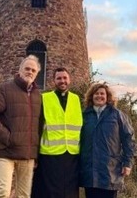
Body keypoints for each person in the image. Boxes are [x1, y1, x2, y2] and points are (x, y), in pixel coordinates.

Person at [0, 55, 42, 198]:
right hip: (6, 151)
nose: (30, 72)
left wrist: (36, 152)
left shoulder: (38, 96)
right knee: (2, 192)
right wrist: (7, 138)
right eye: (27, 68)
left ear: (37, 74)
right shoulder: (5, 89)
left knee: (24, 195)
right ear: (20, 70)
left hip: (27, 154)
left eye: (33, 70)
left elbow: (38, 124)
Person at [31, 67, 82, 198]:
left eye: (65, 78)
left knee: (69, 192)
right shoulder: (45, 98)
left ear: (69, 79)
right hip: (50, 154)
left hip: (71, 154)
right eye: (59, 78)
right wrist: (34, 154)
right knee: (49, 192)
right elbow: (38, 126)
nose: (62, 81)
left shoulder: (76, 99)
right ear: (54, 80)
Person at [79, 83, 136, 198]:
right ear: (91, 96)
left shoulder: (117, 115)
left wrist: (128, 163)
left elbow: (129, 139)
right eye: (96, 93)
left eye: (102, 93)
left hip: (110, 171)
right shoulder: (84, 115)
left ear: (107, 97)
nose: (99, 96)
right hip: (89, 171)